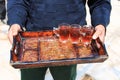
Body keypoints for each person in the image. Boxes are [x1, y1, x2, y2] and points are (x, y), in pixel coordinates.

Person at [7, 0, 111, 80]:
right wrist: (15, 21)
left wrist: (100, 22)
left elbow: (99, 1)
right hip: (32, 40)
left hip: (70, 40)